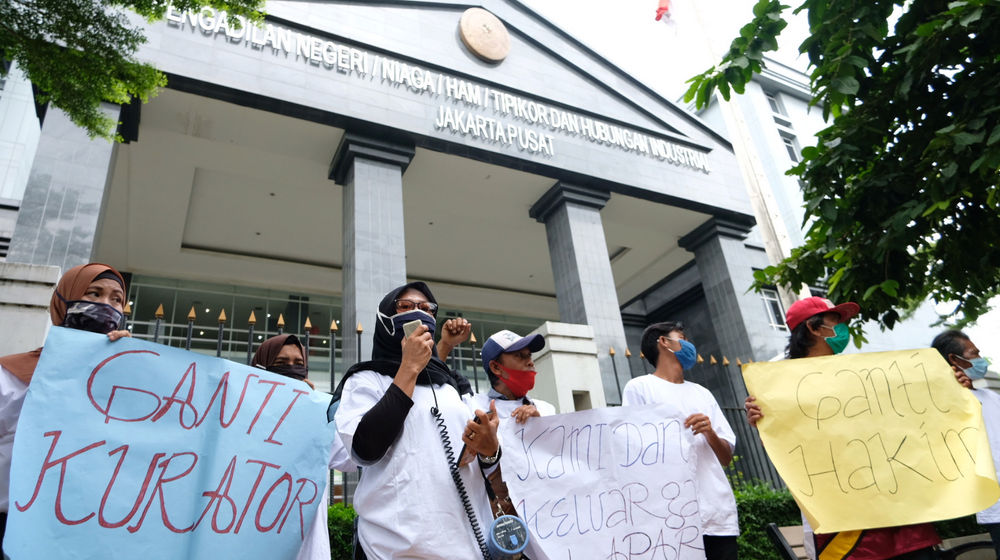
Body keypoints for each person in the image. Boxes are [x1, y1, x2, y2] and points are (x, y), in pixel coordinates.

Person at [745, 297, 940, 560]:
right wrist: (763, 425)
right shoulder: (779, 386)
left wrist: (951, 389)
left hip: (898, 509)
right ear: (814, 329)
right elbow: (783, 451)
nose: (843, 330)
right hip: (845, 520)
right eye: (835, 323)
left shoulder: (862, 375)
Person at [334, 282, 499, 560]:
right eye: (405, 307)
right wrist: (409, 367)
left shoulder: (450, 387)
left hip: (465, 546)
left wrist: (490, 449)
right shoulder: (366, 380)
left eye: (426, 309)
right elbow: (365, 448)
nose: (417, 313)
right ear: (386, 320)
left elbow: (482, 464)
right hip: (392, 550)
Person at [0, 263, 131, 555]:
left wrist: (130, 366)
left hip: (80, 529)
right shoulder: (9, 374)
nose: (105, 306)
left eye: (116, 299)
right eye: (93, 294)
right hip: (10, 523)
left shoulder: (124, 379)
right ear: (63, 302)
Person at [622, 321, 740, 560]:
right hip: (671, 516)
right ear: (664, 342)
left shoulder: (702, 393)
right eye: (682, 338)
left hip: (717, 515)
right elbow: (634, 452)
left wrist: (710, 432)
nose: (689, 345)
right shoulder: (640, 387)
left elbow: (726, 458)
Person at [252, 334, 355, 560]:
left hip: (308, 549)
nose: (292, 369)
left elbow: (353, 458)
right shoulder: (242, 416)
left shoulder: (316, 415)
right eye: (281, 364)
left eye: (299, 364)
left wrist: (319, 411)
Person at [931, 329, 1000, 556]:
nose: (980, 359)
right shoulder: (939, 405)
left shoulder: (992, 397)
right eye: (974, 353)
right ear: (954, 359)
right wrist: (957, 393)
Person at [468, 329, 553, 424]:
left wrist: (540, 424)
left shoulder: (546, 409)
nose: (531, 362)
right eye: (519, 355)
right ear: (496, 367)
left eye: (529, 355)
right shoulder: (474, 409)